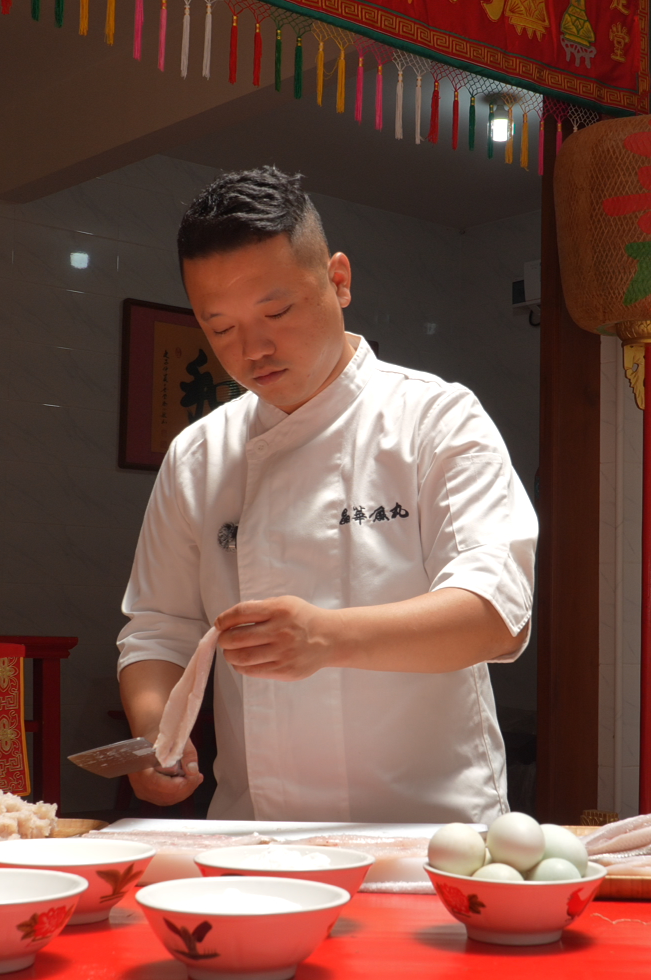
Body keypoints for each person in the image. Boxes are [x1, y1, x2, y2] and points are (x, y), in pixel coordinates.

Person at [117, 166, 536, 824]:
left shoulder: (436, 420)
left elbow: (494, 613)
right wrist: (154, 739)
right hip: (254, 836)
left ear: (338, 280)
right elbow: (157, 631)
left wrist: (328, 638)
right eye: (220, 328)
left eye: (276, 312)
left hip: (426, 840)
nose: (253, 348)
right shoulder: (198, 456)